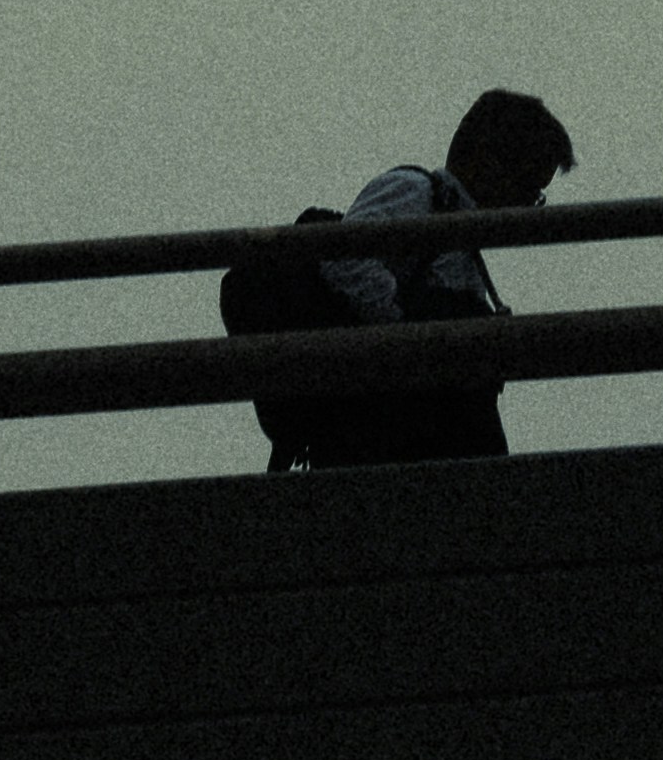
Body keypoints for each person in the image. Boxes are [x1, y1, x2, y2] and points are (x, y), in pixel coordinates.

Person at [230, 84, 569, 472]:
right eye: (529, 188)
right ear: (487, 161)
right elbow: (343, 256)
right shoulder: (417, 191)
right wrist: (409, 336)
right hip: (386, 438)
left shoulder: (459, 232)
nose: (528, 206)